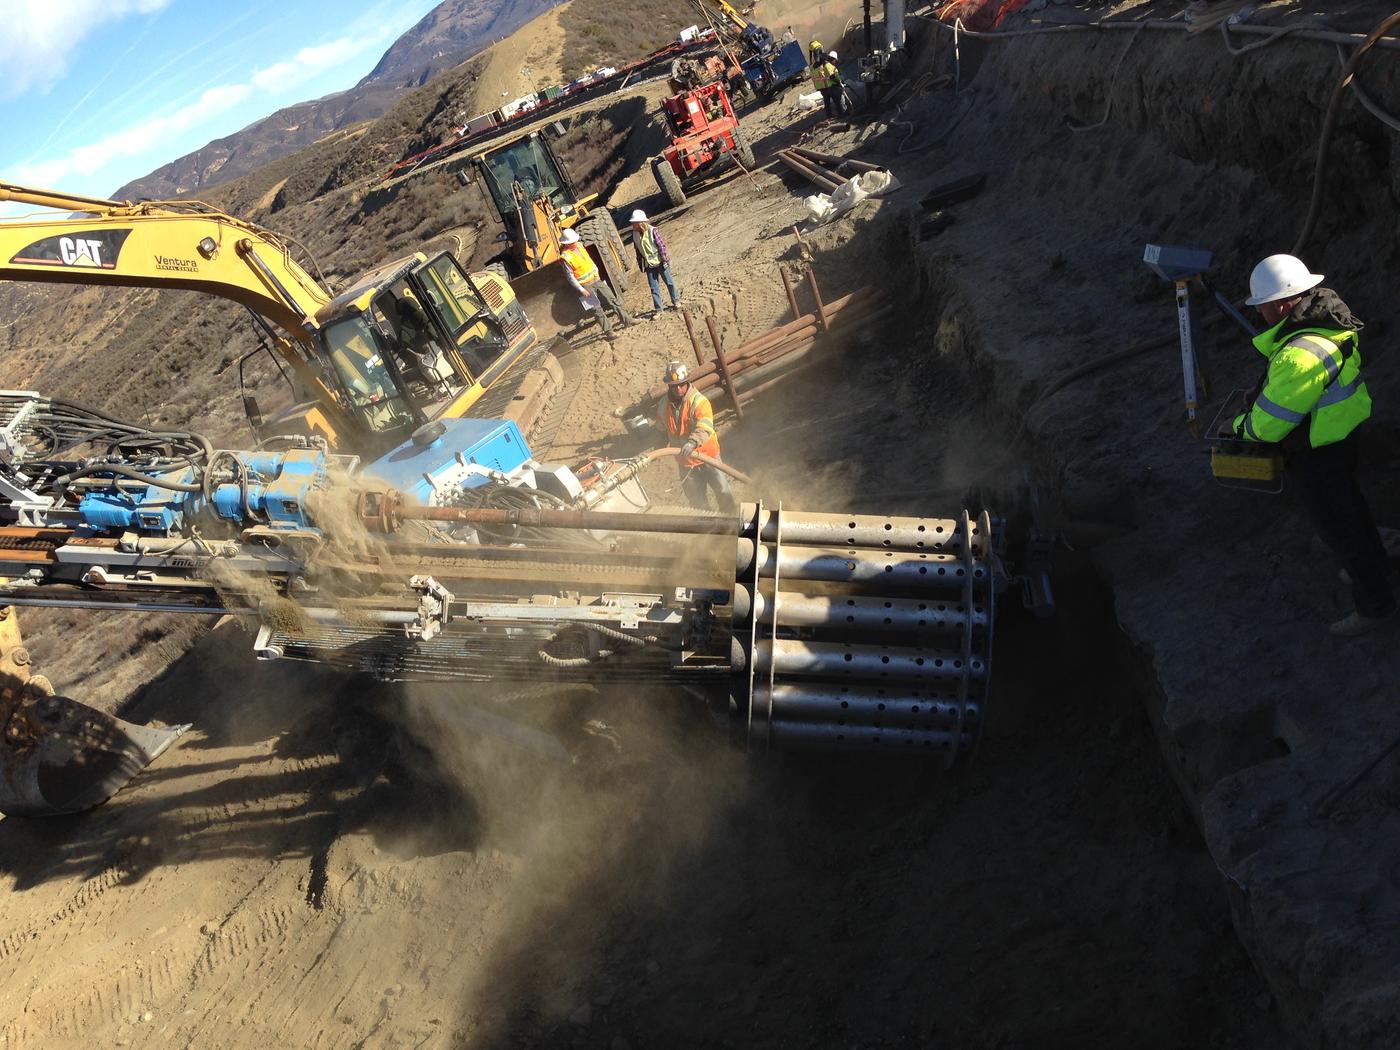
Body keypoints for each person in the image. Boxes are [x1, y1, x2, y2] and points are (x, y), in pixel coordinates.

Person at [1225, 253, 1395, 636]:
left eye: (1263, 306)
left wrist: (1237, 428)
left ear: (1283, 303)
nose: (1260, 314)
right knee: (1353, 510)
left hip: (1318, 453)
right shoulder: (1327, 319)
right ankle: (1377, 566)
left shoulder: (1298, 356)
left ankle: (1374, 605)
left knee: (1340, 529)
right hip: (1341, 435)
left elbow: (1269, 426)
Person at [657, 360, 737, 513]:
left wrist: (692, 442)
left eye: (681, 384)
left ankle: (731, 523)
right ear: (669, 386)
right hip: (685, 462)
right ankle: (707, 530)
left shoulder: (699, 401)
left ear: (687, 381)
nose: (678, 388)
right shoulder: (663, 405)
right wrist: (656, 448)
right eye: (674, 386)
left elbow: (704, 426)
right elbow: (661, 429)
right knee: (696, 501)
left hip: (708, 457)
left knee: (723, 492)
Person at [559, 227, 632, 341]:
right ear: (566, 244)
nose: (574, 243)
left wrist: (596, 271)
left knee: (612, 299)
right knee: (596, 310)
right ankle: (609, 332)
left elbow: (588, 260)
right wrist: (581, 289)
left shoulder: (579, 245)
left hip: (596, 279)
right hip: (585, 286)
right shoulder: (565, 257)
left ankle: (627, 320)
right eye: (571, 242)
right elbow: (570, 277)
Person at [630, 209, 680, 315]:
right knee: (654, 288)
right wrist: (641, 265)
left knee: (669, 282)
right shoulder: (634, 234)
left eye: (634, 223)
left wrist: (665, 260)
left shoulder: (652, 230)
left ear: (640, 223)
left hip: (660, 262)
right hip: (649, 265)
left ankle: (676, 301)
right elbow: (637, 251)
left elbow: (661, 246)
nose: (632, 225)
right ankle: (659, 310)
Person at [818, 51, 848, 118]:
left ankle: (841, 113)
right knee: (839, 100)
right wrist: (839, 83)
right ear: (832, 59)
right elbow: (832, 76)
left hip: (832, 85)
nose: (835, 62)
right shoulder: (828, 65)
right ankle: (843, 113)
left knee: (837, 101)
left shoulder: (827, 65)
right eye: (835, 60)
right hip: (834, 85)